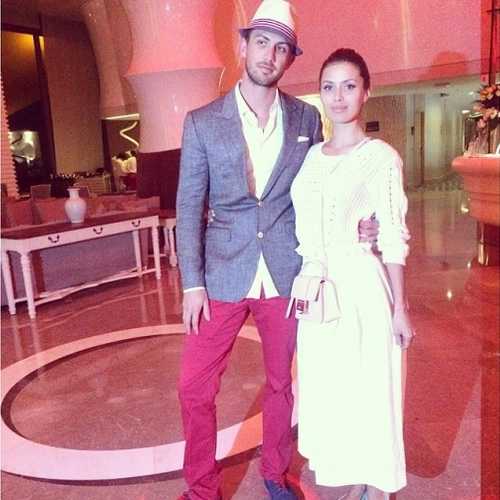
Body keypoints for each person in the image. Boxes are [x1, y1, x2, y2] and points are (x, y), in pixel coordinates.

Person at [176, 2, 376, 498]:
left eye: (281, 48)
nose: (269, 55)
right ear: (243, 46)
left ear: (289, 58)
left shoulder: (307, 117)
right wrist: (192, 283)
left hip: (286, 271)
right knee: (193, 386)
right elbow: (188, 207)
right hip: (221, 275)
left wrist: (361, 221)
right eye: (261, 42)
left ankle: (274, 472)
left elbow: (326, 186)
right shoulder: (202, 122)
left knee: (282, 383)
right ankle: (201, 489)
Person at [290, 48, 414, 500]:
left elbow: (393, 235)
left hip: (360, 287)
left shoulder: (379, 157)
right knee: (331, 394)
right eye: (329, 87)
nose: (338, 97)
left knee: (369, 390)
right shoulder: (310, 157)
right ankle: (355, 480)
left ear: (366, 91)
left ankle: (376, 489)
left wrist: (400, 308)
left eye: (348, 86)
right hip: (316, 290)